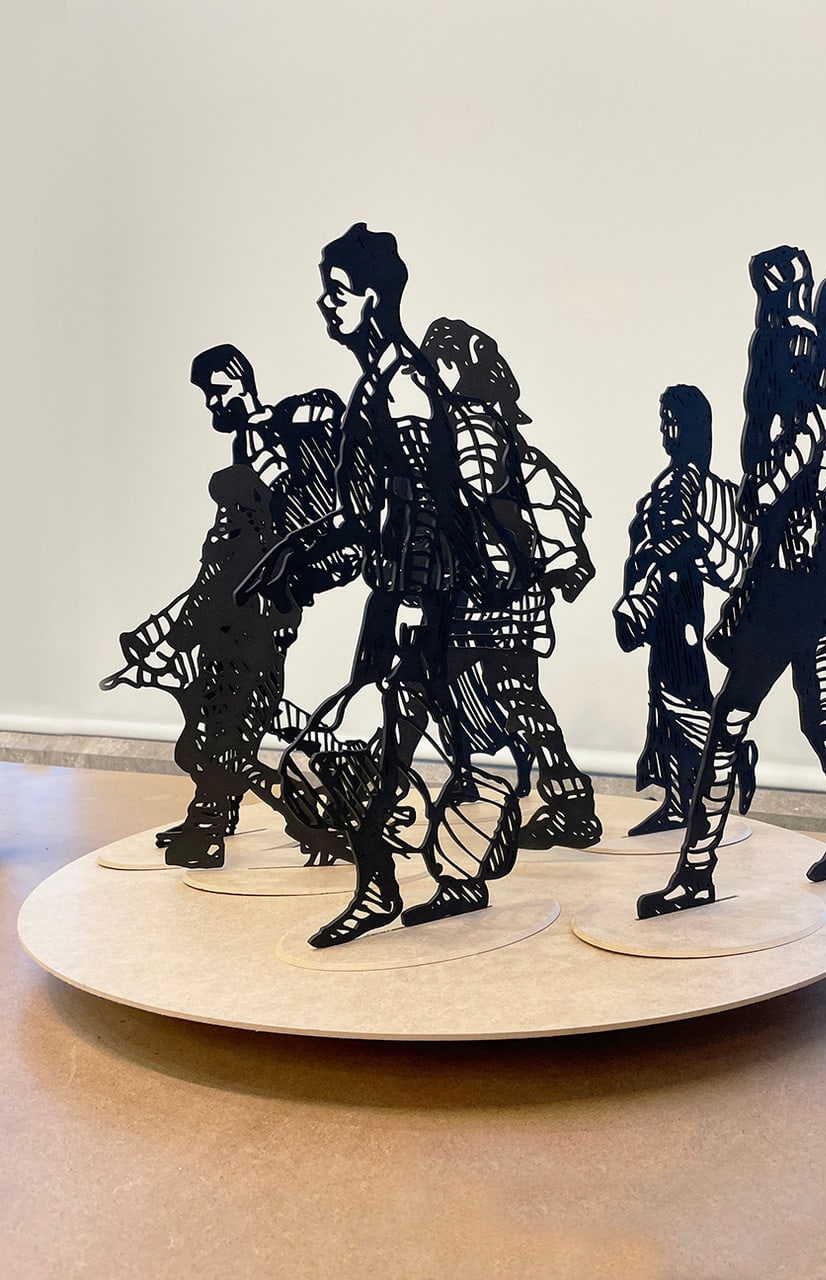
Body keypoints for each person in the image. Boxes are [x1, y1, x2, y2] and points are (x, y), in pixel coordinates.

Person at [242, 225, 542, 945]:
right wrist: (292, 566)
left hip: (425, 598)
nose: (326, 304)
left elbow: (424, 500)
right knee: (393, 746)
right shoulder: (377, 382)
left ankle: (421, 878)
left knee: (421, 747)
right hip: (403, 595)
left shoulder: (403, 382)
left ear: (373, 297)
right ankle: (404, 882)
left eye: (338, 292)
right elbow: (362, 517)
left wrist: (411, 596)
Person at [637, 247, 826, 917]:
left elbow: (769, 492)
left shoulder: (818, 407)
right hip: (813, 593)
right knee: (820, 716)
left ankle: (697, 870)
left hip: (788, 590)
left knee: (729, 721)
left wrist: (764, 477)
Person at [101, 345, 351, 866]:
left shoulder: (277, 436)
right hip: (239, 605)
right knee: (220, 716)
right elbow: (227, 560)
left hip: (260, 607)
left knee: (229, 723)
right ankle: (215, 810)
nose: (212, 403)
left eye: (217, 391)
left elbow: (266, 535)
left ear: (241, 378)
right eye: (206, 395)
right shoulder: (248, 441)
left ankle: (226, 825)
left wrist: (178, 630)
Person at [421, 317, 601, 848]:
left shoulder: (468, 426)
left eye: (436, 364)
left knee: (469, 691)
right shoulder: (492, 427)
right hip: (503, 590)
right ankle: (563, 802)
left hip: (488, 592)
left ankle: (561, 804)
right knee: (511, 695)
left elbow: (478, 489)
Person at [613, 385, 757, 835]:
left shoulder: (692, 485)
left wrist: (654, 568)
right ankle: (679, 802)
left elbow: (696, 545)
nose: (665, 433)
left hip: (678, 605)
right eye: (663, 423)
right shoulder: (672, 481)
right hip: (664, 607)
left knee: (682, 699)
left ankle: (733, 753)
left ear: (692, 428)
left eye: (671, 422)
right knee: (665, 699)